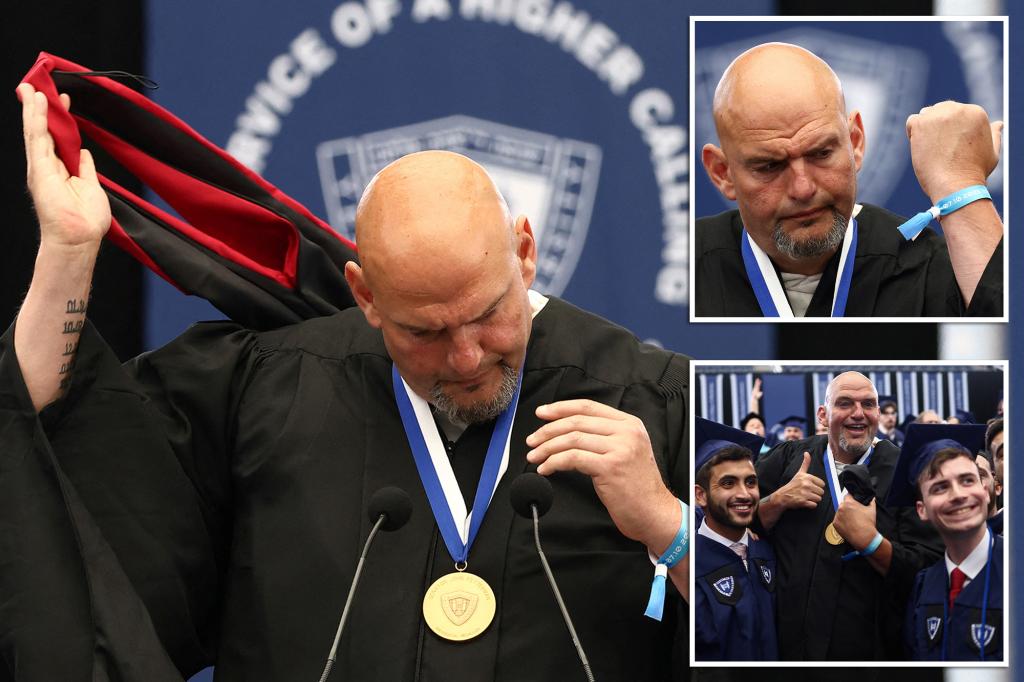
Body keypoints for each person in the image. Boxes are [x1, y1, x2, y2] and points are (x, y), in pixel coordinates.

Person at [3, 84, 690, 680]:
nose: (465, 357)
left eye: (487, 315)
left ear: (527, 253)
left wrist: (671, 527)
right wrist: (67, 256)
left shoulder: (652, 402)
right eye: (423, 331)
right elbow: (51, 454)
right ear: (364, 295)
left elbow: (777, 625)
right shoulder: (264, 389)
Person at [695, 42, 1003, 318]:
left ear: (854, 142)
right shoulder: (686, 268)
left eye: (821, 153)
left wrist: (960, 184)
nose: (803, 188)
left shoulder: (932, 268)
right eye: (769, 166)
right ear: (722, 174)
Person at [753, 371, 942, 660]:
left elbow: (927, 567)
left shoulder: (905, 472)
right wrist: (776, 501)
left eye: (868, 404)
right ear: (823, 415)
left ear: (878, 413)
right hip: (788, 648)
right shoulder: (789, 458)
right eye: (845, 404)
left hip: (871, 655)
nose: (858, 414)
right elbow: (735, 518)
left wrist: (871, 544)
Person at [889, 424, 1003, 661]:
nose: (959, 494)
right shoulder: (923, 587)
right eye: (940, 487)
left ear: (985, 490)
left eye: (968, 480)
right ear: (922, 510)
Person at [693, 419, 777, 661]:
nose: (744, 494)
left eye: (750, 482)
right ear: (701, 495)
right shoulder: (688, 566)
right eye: (728, 483)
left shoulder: (766, 553)